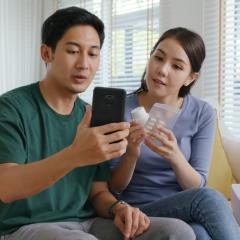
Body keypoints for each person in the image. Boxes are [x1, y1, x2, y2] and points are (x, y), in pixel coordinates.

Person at [0, 7, 196, 240]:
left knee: (177, 232)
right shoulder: (11, 108)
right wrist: (74, 155)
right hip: (25, 227)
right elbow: (6, 186)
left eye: (93, 54)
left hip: (87, 223)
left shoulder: (91, 115)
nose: (84, 64)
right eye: (73, 51)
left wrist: (119, 208)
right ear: (46, 53)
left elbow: (98, 191)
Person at [109, 27, 240, 240]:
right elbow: (113, 188)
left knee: (200, 235)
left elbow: (197, 184)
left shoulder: (202, 113)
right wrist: (132, 153)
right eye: (158, 58)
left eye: (176, 66)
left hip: (185, 208)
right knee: (210, 199)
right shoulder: (121, 109)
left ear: (190, 78)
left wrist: (175, 156)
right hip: (137, 210)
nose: (162, 70)